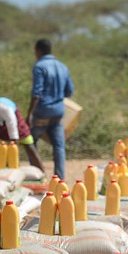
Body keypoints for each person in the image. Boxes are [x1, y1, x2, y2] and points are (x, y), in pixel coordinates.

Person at [26, 39, 75, 179]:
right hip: (58, 112)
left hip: (42, 111)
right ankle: (59, 179)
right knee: (59, 146)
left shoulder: (39, 66)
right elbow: (69, 91)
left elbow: (37, 93)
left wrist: (29, 114)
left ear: (38, 51)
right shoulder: (62, 66)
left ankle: (37, 176)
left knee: (31, 142)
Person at [0, 94, 44, 172]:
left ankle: (41, 173)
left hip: (12, 122)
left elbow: (13, 131)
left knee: (28, 144)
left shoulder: (5, 109)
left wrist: (12, 157)